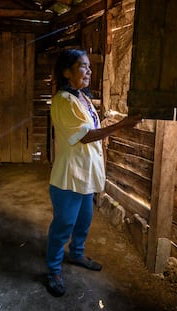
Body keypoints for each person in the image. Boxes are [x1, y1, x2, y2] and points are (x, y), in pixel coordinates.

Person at [46, 49, 142, 297]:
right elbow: (85, 136)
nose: (89, 71)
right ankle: (54, 270)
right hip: (68, 178)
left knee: (84, 221)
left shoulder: (83, 99)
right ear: (67, 72)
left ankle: (77, 255)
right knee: (63, 225)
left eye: (89, 67)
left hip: (85, 174)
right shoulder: (62, 101)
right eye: (83, 66)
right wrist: (121, 125)